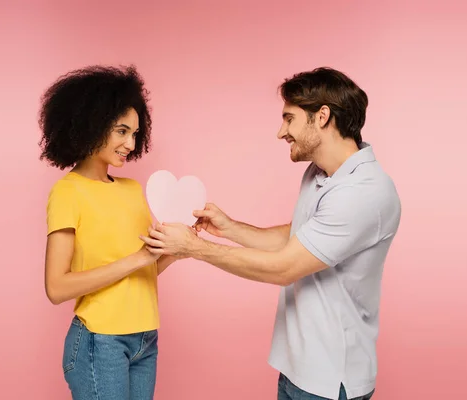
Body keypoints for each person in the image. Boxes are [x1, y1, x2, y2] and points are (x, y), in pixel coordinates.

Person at [140, 67, 401, 400]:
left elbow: (284, 268)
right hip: (297, 370)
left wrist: (194, 248)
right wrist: (230, 228)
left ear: (321, 117)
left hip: (331, 381)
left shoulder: (363, 192)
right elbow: (298, 238)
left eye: (289, 119)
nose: (281, 132)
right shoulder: (319, 172)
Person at [39, 65, 179, 400]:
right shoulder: (68, 192)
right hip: (99, 342)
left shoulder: (133, 189)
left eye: (135, 133)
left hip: (146, 338)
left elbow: (144, 268)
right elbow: (56, 287)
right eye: (122, 131)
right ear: (93, 123)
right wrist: (136, 259)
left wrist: (178, 248)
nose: (130, 143)